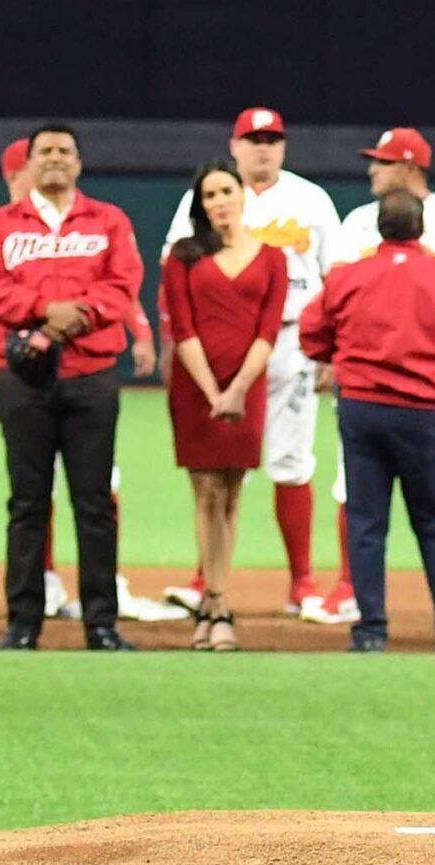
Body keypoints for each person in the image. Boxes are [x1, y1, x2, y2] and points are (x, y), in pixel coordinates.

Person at [0, 138, 170, 625]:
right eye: (45, 151)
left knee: (94, 503)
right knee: (27, 503)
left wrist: (62, 323)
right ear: (29, 164)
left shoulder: (109, 220)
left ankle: (101, 624)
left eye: (64, 151)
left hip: (91, 375)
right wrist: (44, 311)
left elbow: (121, 286)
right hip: (24, 378)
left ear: (79, 163)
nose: (54, 158)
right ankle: (24, 622)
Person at [159, 107, 340, 618]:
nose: (263, 147)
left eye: (272, 139)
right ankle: (207, 579)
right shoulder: (206, 200)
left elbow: (336, 277)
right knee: (212, 471)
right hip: (215, 349)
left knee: (291, 459)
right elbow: (174, 273)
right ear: (234, 146)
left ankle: (301, 582)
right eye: (253, 139)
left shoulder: (312, 200)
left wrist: (333, 347)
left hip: (292, 341)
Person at [299, 189, 435, 655]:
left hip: (362, 409)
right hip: (423, 412)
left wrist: (345, 357)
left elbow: (311, 333)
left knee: (367, 522)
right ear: (420, 228)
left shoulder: (351, 275)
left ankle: (370, 631)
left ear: (378, 228)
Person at [160, 158, 286, 652]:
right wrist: (214, 392)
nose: (219, 203)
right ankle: (215, 602)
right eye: (209, 196)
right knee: (206, 491)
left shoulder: (272, 258)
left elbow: (268, 329)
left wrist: (237, 390)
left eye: (225, 192)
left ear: (242, 195)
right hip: (196, 388)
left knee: (233, 493)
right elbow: (183, 326)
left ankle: (218, 597)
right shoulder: (184, 256)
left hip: (248, 386)